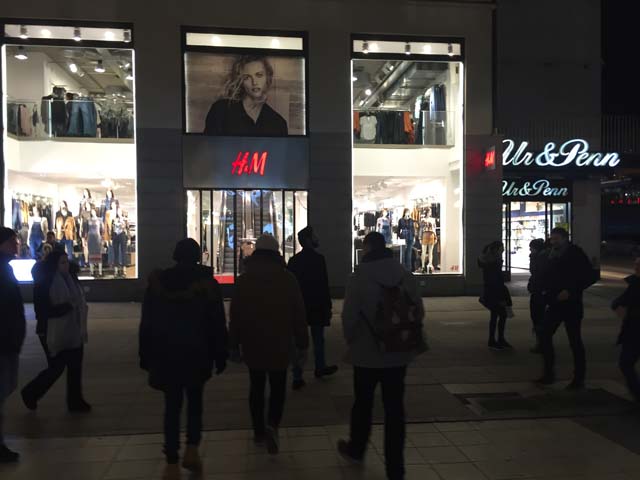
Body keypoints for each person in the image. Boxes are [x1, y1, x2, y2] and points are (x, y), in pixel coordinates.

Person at [338, 232, 426, 480]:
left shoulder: (358, 277)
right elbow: (418, 311)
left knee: (363, 403)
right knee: (395, 409)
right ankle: (395, 469)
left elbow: (349, 317)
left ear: (367, 249)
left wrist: (352, 341)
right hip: (398, 353)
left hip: (366, 354)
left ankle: (357, 449)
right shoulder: (405, 275)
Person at [139, 238, 228, 479]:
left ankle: (171, 458)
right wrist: (221, 353)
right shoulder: (207, 285)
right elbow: (217, 322)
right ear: (198, 256)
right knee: (195, 402)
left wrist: (145, 354)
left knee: (172, 405)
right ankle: (192, 449)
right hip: (197, 352)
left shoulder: (158, 284)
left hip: (166, 353)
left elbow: (147, 322)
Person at [229, 234, 308, 455]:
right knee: (278, 386)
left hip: (253, 341)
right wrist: (302, 342)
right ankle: (273, 424)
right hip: (280, 341)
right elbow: (298, 313)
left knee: (256, 386)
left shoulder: (244, 280)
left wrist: (233, 343)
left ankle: (258, 432)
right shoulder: (288, 279)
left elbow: (235, 315)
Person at [21, 250, 90, 413]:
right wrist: (68, 306)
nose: (66, 266)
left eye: (67, 262)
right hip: (50, 330)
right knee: (56, 367)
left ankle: (75, 401)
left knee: (75, 366)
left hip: (74, 329)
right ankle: (30, 392)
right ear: (54, 264)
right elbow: (42, 311)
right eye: (62, 262)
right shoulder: (44, 282)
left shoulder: (71, 279)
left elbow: (79, 300)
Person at [537, 227, 595, 389]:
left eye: (556, 239)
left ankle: (578, 378)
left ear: (565, 238)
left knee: (574, 341)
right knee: (544, 334)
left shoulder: (575, 253)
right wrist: (544, 291)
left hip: (572, 304)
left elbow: (590, 276)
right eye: (552, 239)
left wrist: (570, 291)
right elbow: (545, 275)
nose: (553, 241)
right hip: (555, 303)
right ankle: (548, 373)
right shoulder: (550, 254)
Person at [287, 226, 338, 390]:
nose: (317, 238)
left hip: (300, 305)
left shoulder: (294, 261)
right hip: (316, 305)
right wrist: (328, 305)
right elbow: (323, 285)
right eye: (314, 236)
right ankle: (320, 367)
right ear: (309, 240)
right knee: (318, 339)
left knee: (299, 342)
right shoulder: (319, 259)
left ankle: (297, 375)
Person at [204, 55, 288, 136]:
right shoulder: (221, 110)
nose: (254, 82)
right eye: (247, 77)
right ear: (240, 81)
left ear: (267, 78)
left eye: (259, 75)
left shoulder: (279, 123)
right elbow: (208, 144)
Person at [0, 228, 26, 462]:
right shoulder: (3, 271)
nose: (17, 245)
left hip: (8, 341)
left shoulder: (6, 269)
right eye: (12, 241)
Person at [611, 257, 640, 402]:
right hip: (633, 330)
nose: (636, 267)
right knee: (626, 362)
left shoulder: (635, 284)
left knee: (626, 362)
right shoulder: (635, 283)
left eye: (638, 265)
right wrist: (617, 306)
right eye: (635, 264)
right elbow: (620, 300)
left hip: (634, 330)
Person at [478, 241, 513, 350]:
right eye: (502, 248)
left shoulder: (488, 260)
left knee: (496, 316)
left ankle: (494, 339)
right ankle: (496, 340)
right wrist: (501, 297)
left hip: (491, 291)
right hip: (495, 292)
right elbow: (495, 279)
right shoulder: (493, 262)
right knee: (501, 315)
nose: (503, 250)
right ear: (496, 249)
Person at [528, 238, 547, 353]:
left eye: (531, 248)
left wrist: (532, 257)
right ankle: (541, 342)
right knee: (538, 317)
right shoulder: (542, 257)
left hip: (539, 292)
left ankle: (541, 343)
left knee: (538, 317)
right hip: (539, 291)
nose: (530, 250)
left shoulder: (540, 258)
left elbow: (535, 272)